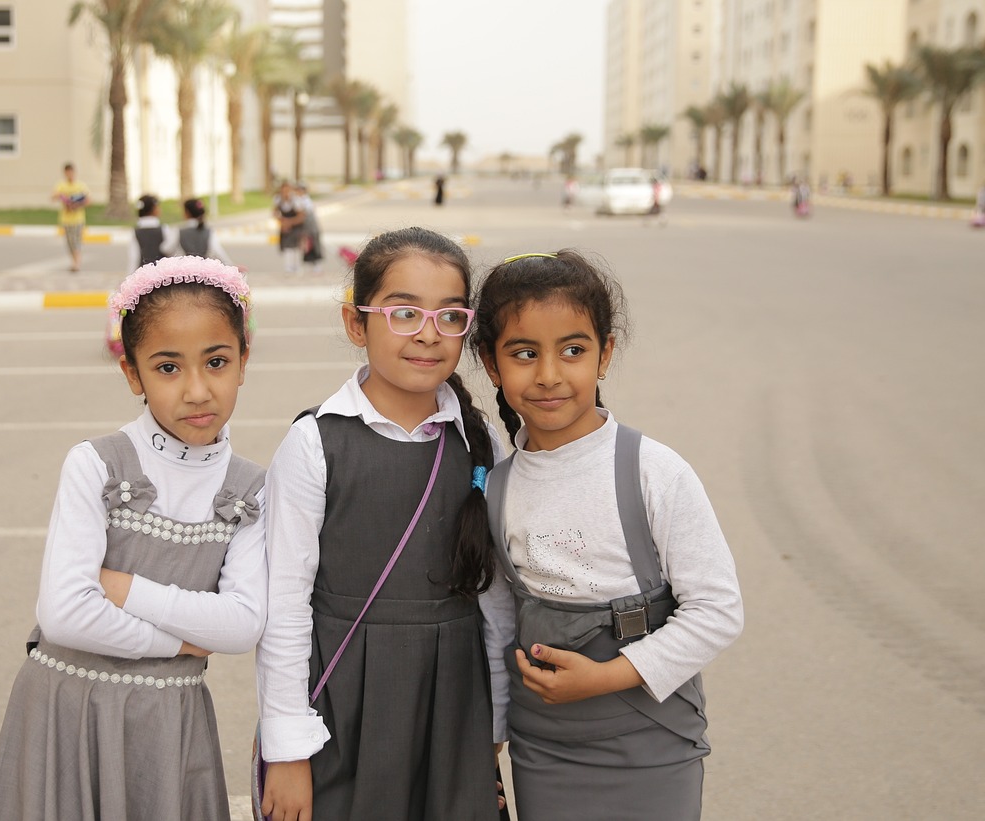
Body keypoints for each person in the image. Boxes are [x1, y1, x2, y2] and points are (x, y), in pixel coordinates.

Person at [0, 256, 267, 821]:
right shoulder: (96, 465)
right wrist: (180, 643)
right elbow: (63, 616)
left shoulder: (251, 489)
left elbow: (241, 624)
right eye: (167, 368)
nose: (197, 389)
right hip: (67, 710)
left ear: (242, 361)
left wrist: (123, 587)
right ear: (132, 373)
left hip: (169, 722)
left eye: (216, 361)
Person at [471, 250, 744, 821]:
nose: (549, 374)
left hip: (650, 738)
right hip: (543, 746)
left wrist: (606, 677)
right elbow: (500, 622)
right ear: (491, 365)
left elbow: (717, 609)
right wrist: (495, 731)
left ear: (605, 354)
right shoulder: (497, 487)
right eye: (524, 354)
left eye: (573, 350)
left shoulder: (653, 472)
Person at [255, 226, 506, 820]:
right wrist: (286, 749)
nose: (427, 334)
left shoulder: (480, 441)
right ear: (355, 323)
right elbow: (285, 605)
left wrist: (495, 719)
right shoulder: (315, 442)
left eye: (450, 316)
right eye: (403, 313)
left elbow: (493, 599)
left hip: (453, 702)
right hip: (343, 704)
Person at [51, 162, 90, 273]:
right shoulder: (61, 185)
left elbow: (88, 200)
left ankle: (76, 263)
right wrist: (61, 197)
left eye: (71, 172)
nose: (70, 174)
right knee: (69, 242)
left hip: (78, 219)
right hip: (66, 219)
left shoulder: (80, 185)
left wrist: (77, 204)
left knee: (76, 241)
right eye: (67, 172)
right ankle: (74, 261)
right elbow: (53, 196)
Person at [179, 198, 239, 268]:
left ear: (187, 213)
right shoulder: (208, 232)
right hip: (204, 272)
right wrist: (232, 266)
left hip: (185, 273)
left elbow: (167, 249)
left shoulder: (179, 232)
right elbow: (218, 253)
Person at [126, 194, 179, 274]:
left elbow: (134, 257)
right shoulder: (164, 229)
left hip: (143, 274)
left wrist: (130, 276)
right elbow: (168, 249)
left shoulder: (135, 231)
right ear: (154, 209)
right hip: (161, 273)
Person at [273, 180, 306, 274]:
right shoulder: (278, 199)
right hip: (285, 226)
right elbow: (275, 212)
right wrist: (282, 222)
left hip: (296, 225)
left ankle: (297, 266)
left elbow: (301, 216)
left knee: (296, 246)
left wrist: (290, 222)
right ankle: (288, 266)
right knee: (287, 246)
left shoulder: (296, 200)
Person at [295, 182, 325, 273]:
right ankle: (309, 265)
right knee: (307, 247)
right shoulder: (298, 200)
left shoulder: (306, 201)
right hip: (305, 228)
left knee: (315, 245)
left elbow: (305, 213)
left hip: (312, 227)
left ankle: (317, 265)